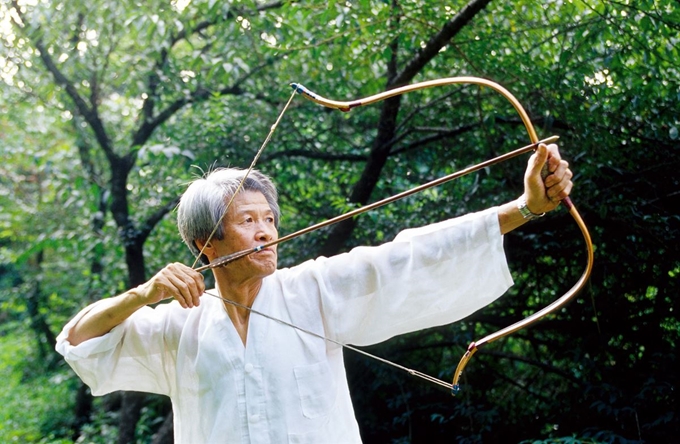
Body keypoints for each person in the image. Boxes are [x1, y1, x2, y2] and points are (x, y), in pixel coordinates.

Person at [56, 143, 573, 443]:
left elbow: (404, 257)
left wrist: (523, 209)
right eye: (247, 221)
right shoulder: (178, 325)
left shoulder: (313, 289)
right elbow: (80, 341)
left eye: (270, 220)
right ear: (204, 242)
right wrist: (143, 295)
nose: (267, 233)